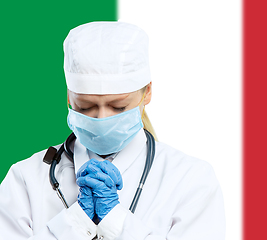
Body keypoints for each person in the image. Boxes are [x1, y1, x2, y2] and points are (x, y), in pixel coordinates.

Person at [0, 21, 225, 240]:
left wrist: (115, 222)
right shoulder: (25, 179)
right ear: (69, 96)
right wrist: (75, 221)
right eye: (85, 107)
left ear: (147, 92)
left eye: (119, 107)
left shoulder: (192, 180)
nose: (101, 118)